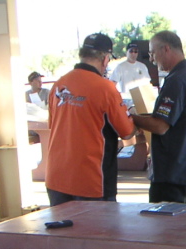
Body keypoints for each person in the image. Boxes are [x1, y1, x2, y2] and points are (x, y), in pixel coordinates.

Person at [130, 31, 186, 249]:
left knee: (166, 231)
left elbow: (161, 126)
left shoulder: (176, 80)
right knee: (183, 231)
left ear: (166, 50)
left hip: (173, 169)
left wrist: (132, 117)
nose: (152, 59)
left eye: (152, 53)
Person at [46, 33, 136, 206]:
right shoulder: (105, 88)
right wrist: (135, 116)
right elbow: (127, 132)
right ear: (105, 59)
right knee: (98, 225)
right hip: (91, 182)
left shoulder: (58, 85)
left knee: (61, 224)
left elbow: (53, 125)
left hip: (56, 179)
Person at [109, 41, 151, 107]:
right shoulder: (120, 67)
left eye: (135, 51)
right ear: (127, 52)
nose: (133, 53)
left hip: (140, 99)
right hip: (126, 99)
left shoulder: (143, 66)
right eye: (131, 51)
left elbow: (147, 84)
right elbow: (112, 84)